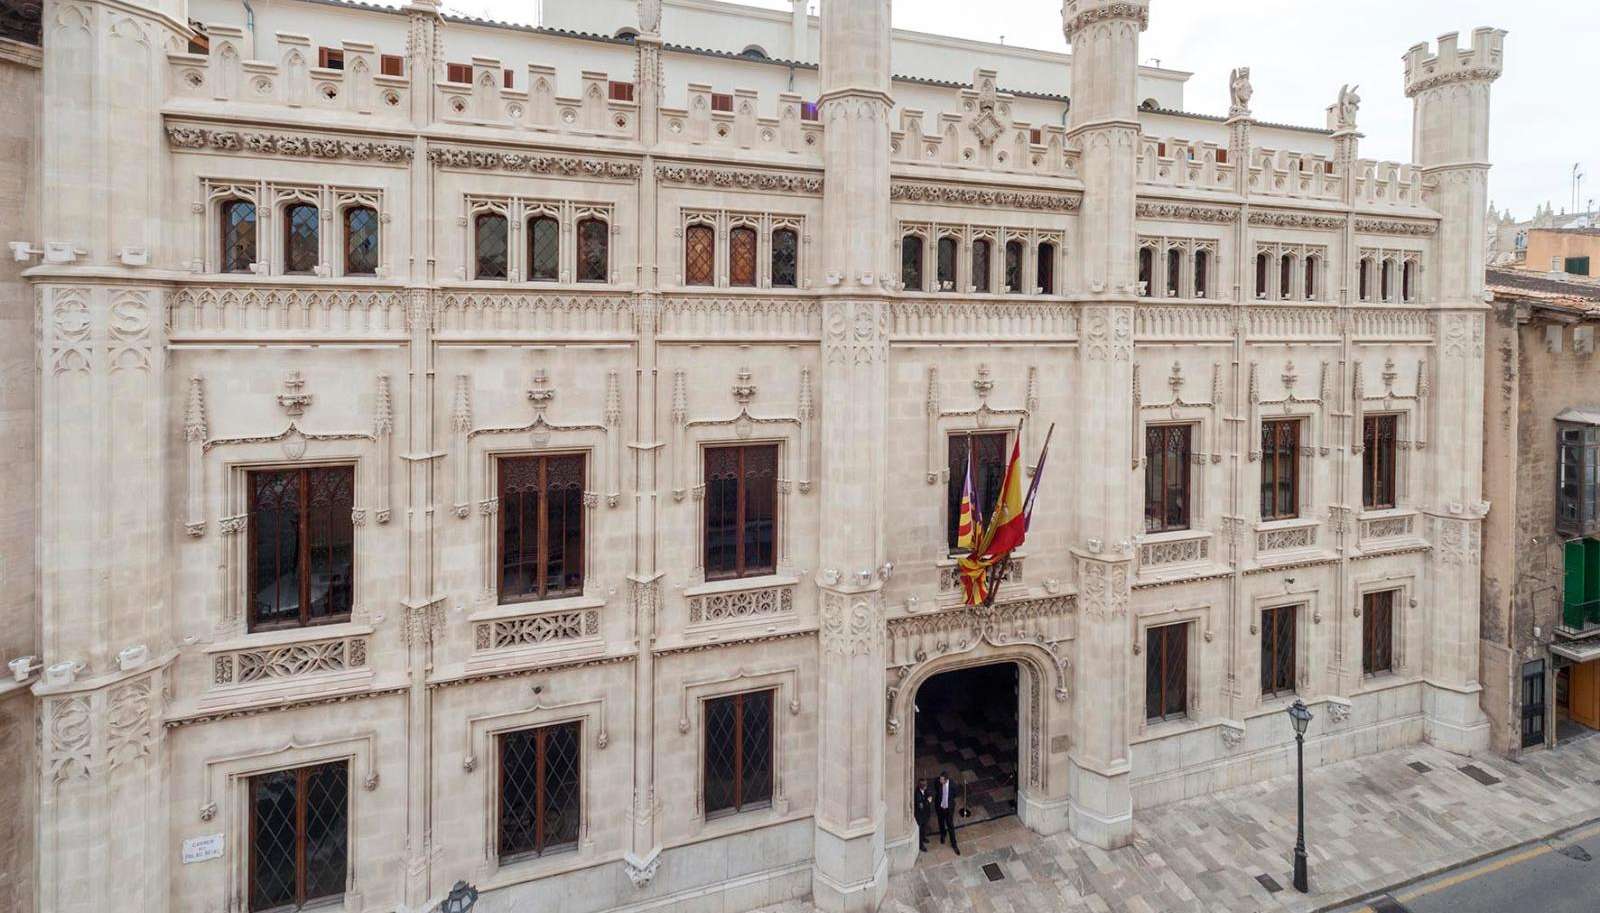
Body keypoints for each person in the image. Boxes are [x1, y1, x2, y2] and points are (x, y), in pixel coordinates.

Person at [935, 771, 960, 855]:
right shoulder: (937, 782)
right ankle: (943, 834)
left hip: (949, 808)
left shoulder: (953, 785)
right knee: (940, 821)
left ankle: (954, 844)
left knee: (950, 825)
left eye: (942, 780)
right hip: (940, 806)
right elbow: (937, 791)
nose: (940, 781)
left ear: (946, 780)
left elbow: (956, 794)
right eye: (940, 779)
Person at [913, 779, 933, 852]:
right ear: (921, 786)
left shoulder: (925, 790)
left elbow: (928, 794)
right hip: (920, 815)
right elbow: (921, 806)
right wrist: (928, 801)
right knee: (920, 830)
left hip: (925, 814)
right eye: (925, 785)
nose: (926, 787)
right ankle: (920, 844)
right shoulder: (917, 794)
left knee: (924, 828)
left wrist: (929, 797)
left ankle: (923, 838)